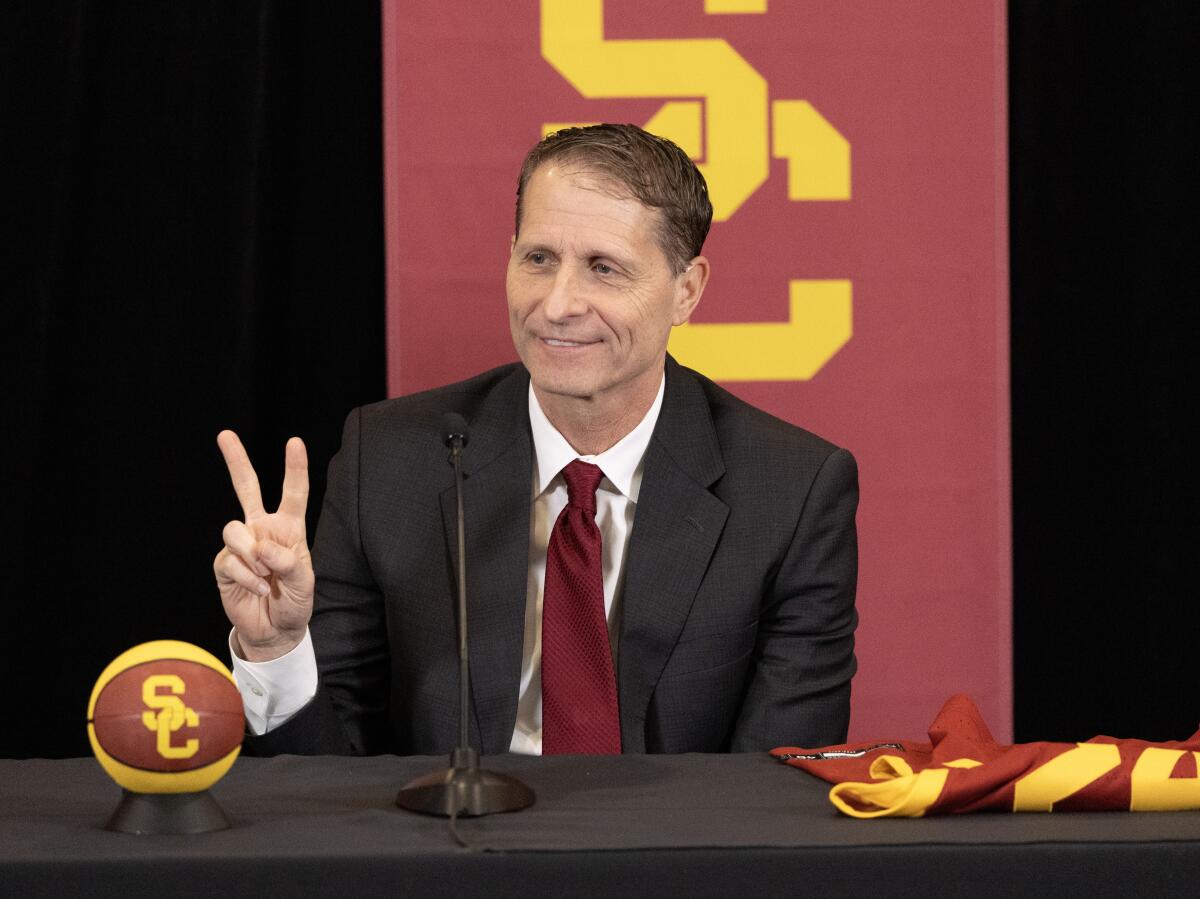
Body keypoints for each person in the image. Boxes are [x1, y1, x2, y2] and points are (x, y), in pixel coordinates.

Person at [213, 124, 859, 756]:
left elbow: (775, 791)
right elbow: (325, 788)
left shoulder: (792, 492)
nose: (557, 304)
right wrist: (277, 651)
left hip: (674, 858)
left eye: (604, 268)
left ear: (686, 291)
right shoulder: (388, 461)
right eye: (539, 259)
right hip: (450, 854)